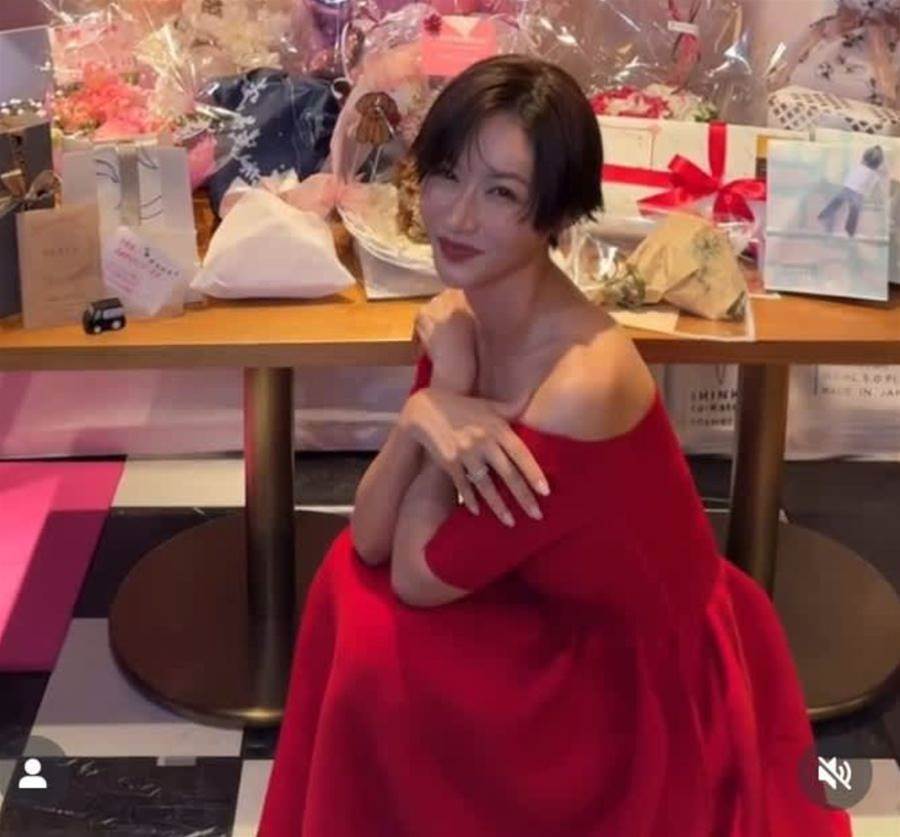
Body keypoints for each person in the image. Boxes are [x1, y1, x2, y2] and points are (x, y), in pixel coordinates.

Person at [257, 55, 853, 836]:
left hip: (632, 678)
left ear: (557, 214)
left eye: (501, 193)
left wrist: (447, 393)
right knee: (344, 579)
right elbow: (369, 536)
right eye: (446, 175)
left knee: (378, 646)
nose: (458, 216)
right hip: (543, 597)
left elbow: (413, 573)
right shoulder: (469, 306)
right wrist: (424, 413)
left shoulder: (582, 382)